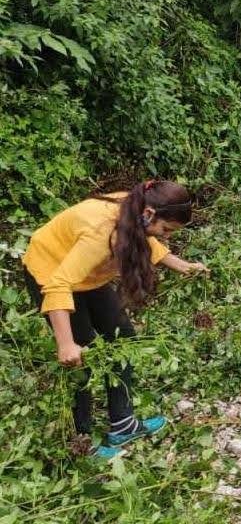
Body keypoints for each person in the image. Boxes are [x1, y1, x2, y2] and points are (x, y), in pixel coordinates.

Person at [22, 180, 208, 459]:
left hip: (88, 275)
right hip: (52, 271)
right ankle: (81, 443)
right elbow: (59, 284)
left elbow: (145, 238)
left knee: (122, 338)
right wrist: (65, 344)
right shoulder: (100, 233)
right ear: (149, 214)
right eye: (166, 230)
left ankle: (122, 423)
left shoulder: (137, 208)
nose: (166, 236)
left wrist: (182, 265)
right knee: (82, 357)